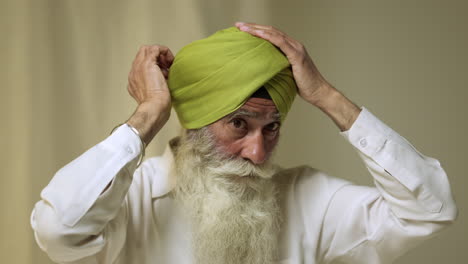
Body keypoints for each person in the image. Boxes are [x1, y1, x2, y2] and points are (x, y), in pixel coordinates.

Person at [30, 22, 457, 264]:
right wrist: (147, 114)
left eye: (271, 127)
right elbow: (58, 229)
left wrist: (327, 96)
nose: (257, 152)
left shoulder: (309, 198)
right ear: (193, 123)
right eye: (239, 124)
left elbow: (429, 209)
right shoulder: (134, 197)